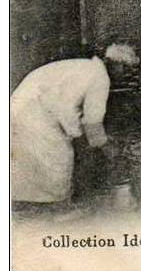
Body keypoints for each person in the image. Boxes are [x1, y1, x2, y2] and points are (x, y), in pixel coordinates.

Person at [11, 43, 134, 215]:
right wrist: (105, 145)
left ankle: (34, 211)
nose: (126, 75)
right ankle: (55, 213)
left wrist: (84, 135)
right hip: (37, 114)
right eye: (125, 69)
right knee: (57, 161)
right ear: (114, 64)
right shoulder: (100, 78)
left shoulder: (85, 67)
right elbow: (93, 123)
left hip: (21, 106)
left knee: (30, 166)